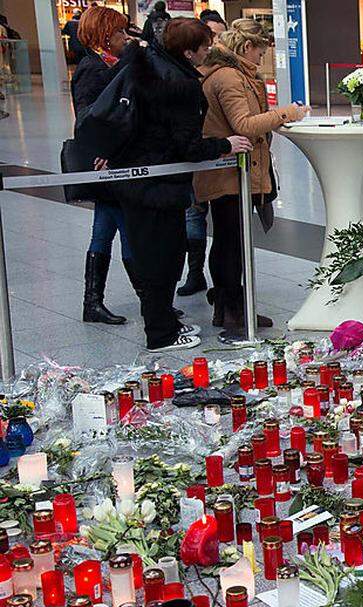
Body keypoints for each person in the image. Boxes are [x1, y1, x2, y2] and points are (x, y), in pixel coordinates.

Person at [104, 18, 251, 352]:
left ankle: (165, 323)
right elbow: (187, 145)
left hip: (140, 178)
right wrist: (225, 145)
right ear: (187, 52)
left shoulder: (150, 66)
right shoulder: (179, 86)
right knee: (162, 259)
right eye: (204, 46)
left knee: (155, 256)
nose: (210, 50)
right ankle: (161, 334)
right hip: (158, 184)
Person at [195, 18, 308, 331]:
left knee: (230, 239)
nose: (262, 59)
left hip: (234, 172)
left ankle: (229, 305)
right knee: (231, 241)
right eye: (261, 52)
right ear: (247, 47)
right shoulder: (230, 77)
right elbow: (244, 124)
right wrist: (286, 113)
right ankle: (232, 308)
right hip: (229, 173)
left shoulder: (231, 73)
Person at [71, 6, 139, 325]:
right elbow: (87, 116)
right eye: (118, 33)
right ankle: (148, 297)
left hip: (112, 159)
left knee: (104, 229)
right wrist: (105, 149)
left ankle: (93, 301)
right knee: (124, 228)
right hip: (106, 161)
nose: (124, 38)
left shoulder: (111, 64)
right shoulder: (92, 68)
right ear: (103, 35)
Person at [177, 8, 227, 298]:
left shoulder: (220, 74)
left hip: (216, 155)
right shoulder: (186, 78)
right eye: (208, 41)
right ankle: (195, 273)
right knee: (193, 216)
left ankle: (220, 286)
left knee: (220, 222)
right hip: (198, 152)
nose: (212, 47)